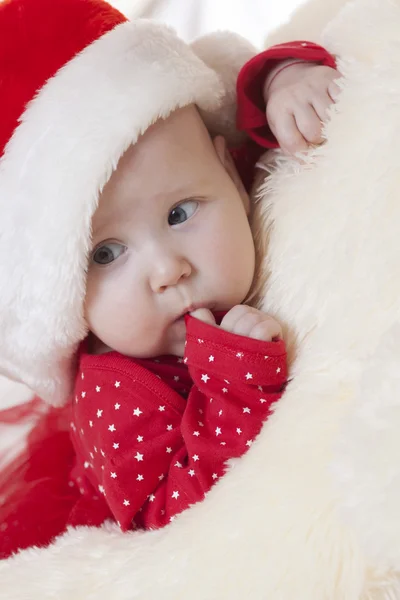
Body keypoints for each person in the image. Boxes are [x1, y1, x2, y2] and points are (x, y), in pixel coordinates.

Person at [0, 0, 338, 557]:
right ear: (63, 294)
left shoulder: (226, 182)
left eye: (181, 213)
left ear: (227, 169)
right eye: (106, 254)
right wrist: (232, 386)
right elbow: (171, 520)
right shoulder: (115, 391)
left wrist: (286, 81)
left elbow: (255, 115)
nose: (167, 269)